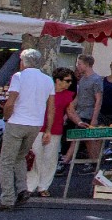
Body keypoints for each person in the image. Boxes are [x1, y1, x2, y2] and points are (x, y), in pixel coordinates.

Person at [0, 49, 53, 211]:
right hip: (35, 124)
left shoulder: (18, 77)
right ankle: (22, 189)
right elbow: (51, 107)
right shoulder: (48, 80)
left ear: (23, 62)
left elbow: (10, 102)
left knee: (6, 161)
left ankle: (7, 199)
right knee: (20, 157)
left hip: (17, 121)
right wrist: (48, 128)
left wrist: (6, 117)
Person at [26, 67, 77, 197]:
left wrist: (80, 122)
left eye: (70, 81)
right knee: (35, 157)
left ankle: (43, 186)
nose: (70, 83)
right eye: (67, 80)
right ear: (57, 80)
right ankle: (30, 186)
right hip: (38, 127)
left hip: (55, 129)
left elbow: (70, 112)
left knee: (50, 159)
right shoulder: (44, 91)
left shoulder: (68, 95)